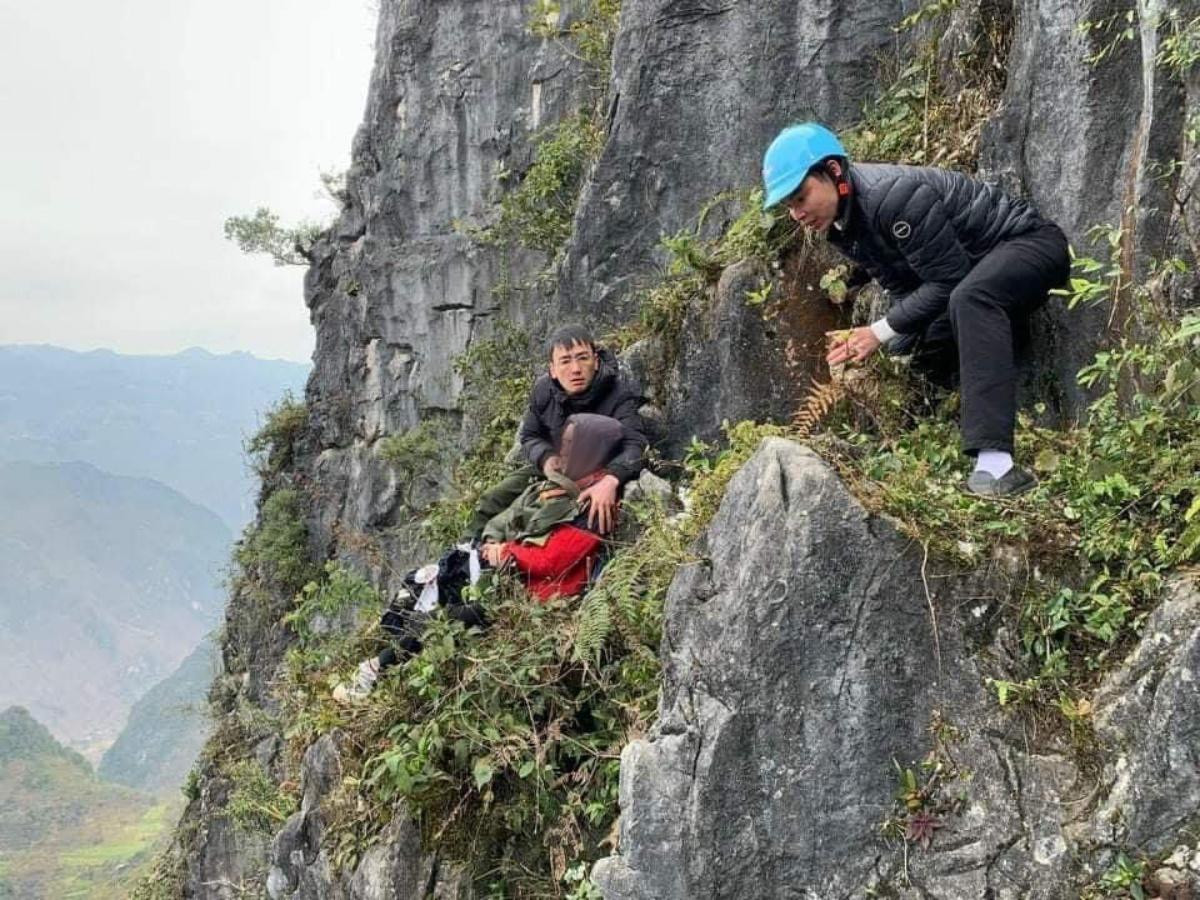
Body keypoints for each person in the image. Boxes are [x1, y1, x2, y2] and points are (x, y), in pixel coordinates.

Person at [762, 122, 1071, 496]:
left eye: (801, 197)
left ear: (834, 172)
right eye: (789, 206)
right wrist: (881, 350)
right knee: (912, 350)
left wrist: (875, 332)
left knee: (969, 298)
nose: (797, 214)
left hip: (1032, 247)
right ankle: (921, 452)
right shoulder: (841, 226)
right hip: (976, 276)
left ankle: (996, 466)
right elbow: (905, 290)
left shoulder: (894, 196)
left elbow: (950, 281)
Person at [333, 414, 625, 703]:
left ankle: (374, 674)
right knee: (424, 584)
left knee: (439, 620)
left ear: (592, 450)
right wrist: (495, 545)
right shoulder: (555, 486)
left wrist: (508, 552)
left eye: (572, 444)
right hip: (505, 575)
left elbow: (552, 560)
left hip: (523, 595)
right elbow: (508, 519)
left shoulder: (595, 506)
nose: (563, 451)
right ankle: (383, 660)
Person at [463, 324, 648, 539]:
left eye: (583, 358)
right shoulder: (544, 392)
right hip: (556, 468)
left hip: (596, 473)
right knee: (493, 499)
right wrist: (546, 457)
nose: (576, 369)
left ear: (596, 361)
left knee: (533, 520)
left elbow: (636, 445)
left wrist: (611, 479)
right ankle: (462, 555)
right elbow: (530, 436)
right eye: (566, 361)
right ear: (552, 369)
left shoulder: (618, 395)